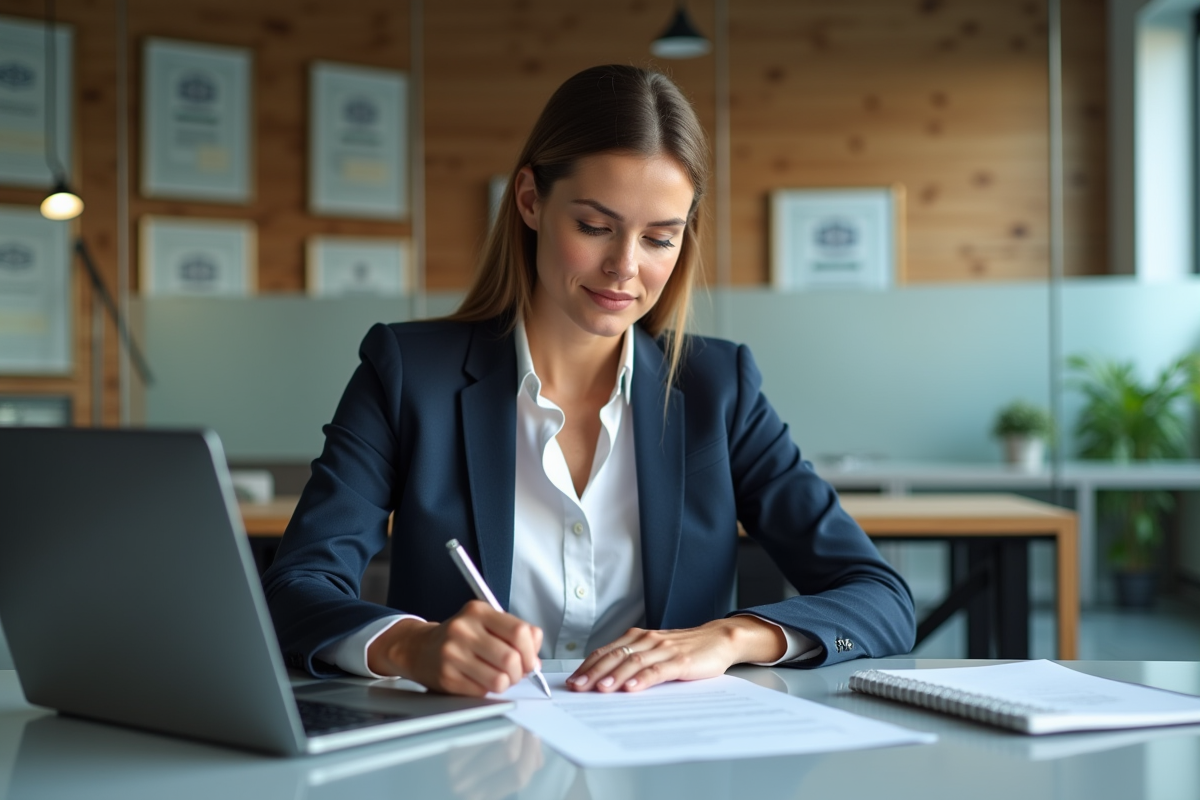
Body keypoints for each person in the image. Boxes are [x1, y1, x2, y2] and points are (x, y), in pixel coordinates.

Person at [262, 64, 915, 698]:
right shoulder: (407, 373)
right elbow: (297, 588)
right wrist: (410, 646)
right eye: (595, 227)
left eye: (660, 239)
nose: (623, 267)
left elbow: (880, 598)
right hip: (469, 759)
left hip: (668, 761)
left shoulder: (720, 388)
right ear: (529, 201)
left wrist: (728, 638)